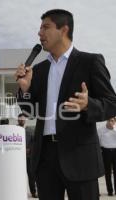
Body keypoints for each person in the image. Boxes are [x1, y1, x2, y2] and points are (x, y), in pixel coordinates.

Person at [15, 9, 116, 200]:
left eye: (46, 27)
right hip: (45, 156)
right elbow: (28, 111)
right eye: (40, 28)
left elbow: (112, 103)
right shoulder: (39, 69)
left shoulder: (90, 62)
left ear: (64, 30)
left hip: (80, 155)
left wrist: (89, 105)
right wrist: (25, 90)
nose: (40, 33)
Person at [17, 113, 38, 198]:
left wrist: (29, 149)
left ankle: (33, 192)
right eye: (20, 119)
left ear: (25, 120)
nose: (21, 120)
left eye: (23, 119)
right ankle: (17, 191)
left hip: (28, 157)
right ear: (18, 120)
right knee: (17, 174)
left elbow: (34, 142)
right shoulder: (14, 129)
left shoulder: (30, 130)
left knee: (31, 175)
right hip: (17, 157)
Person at [97, 117, 116, 196]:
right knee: (107, 172)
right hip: (105, 151)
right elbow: (98, 141)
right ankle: (110, 191)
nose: (111, 122)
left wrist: (114, 129)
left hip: (115, 150)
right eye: (109, 120)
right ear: (107, 121)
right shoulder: (101, 129)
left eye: (113, 121)